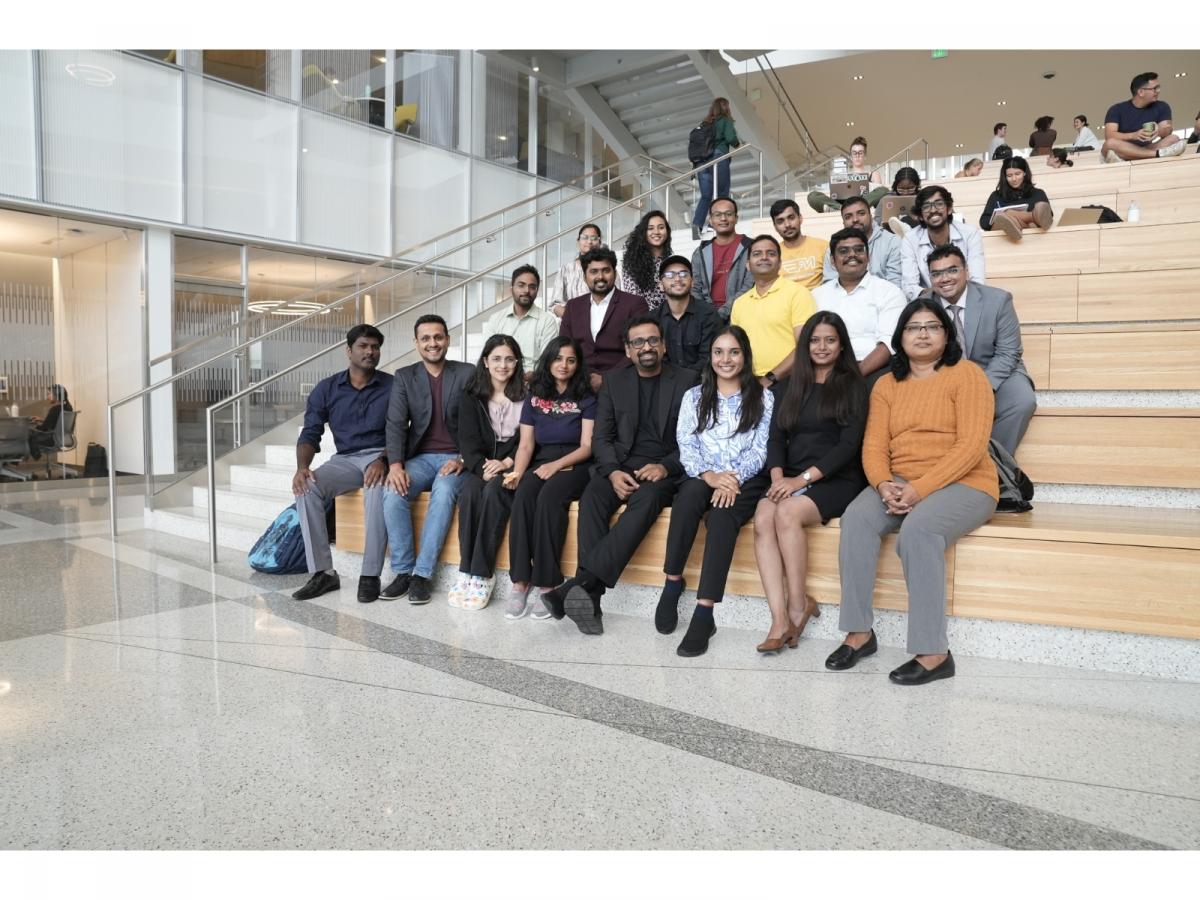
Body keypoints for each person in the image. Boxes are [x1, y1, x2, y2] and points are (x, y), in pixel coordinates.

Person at [826, 299, 998, 686]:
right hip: (900, 480)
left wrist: (919, 489)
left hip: (966, 482)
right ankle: (859, 633)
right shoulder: (886, 385)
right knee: (856, 519)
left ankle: (934, 653)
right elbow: (874, 446)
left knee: (919, 531)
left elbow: (972, 447)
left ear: (947, 335)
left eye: (932, 326)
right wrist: (883, 483)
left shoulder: (968, 375)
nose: (922, 334)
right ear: (900, 337)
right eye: (913, 327)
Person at [542, 315, 699, 636]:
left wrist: (666, 467)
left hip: (663, 469)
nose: (646, 347)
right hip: (620, 464)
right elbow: (602, 437)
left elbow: (696, 439)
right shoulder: (614, 381)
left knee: (647, 500)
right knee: (592, 497)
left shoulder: (688, 381)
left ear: (664, 346)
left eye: (653, 340)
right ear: (628, 350)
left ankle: (578, 585)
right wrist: (613, 472)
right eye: (638, 342)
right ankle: (590, 597)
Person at [753, 311, 867, 653]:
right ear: (805, 345)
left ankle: (798, 605)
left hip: (837, 477)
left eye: (830, 340)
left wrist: (798, 481)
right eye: (815, 340)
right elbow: (775, 438)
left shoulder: (854, 385)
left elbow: (848, 446)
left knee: (786, 513)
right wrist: (778, 478)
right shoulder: (789, 385)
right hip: (790, 476)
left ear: (842, 344)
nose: (822, 346)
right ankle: (778, 619)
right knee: (763, 517)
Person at [658, 325, 773, 657]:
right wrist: (709, 476)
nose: (726, 359)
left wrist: (732, 478)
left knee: (722, 517)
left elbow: (760, 450)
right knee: (688, 499)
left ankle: (704, 613)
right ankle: (672, 582)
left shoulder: (763, 397)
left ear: (745, 356)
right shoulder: (694, 396)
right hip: (703, 473)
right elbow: (686, 444)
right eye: (719, 352)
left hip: (744, 480)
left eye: (734, 352)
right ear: (710, 357)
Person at [290, 325, 393, 604]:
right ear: (349, 350)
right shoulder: (327, 388)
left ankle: (370, 574)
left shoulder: (393, 386)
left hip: (380, 456)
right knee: (307, 487)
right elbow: (311, 432)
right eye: (363, 346)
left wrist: (384, 459)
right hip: (345, 459)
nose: (370, 352)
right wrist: (302, 467)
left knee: (376, 490)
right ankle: (323, 573)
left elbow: (404, 430)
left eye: (375, 347)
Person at [381, 314, 475, 605]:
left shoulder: (467, 373)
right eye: (426, 338)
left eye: (438, 337)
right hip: (419, 458)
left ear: (447, 339)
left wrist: (463, 458)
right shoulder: (405, 376)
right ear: (416, 343)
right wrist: (395, 465)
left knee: (444, 491)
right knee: (392, 491)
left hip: (456, 458)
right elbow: (396, 423)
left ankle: (422, 575)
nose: (432, 343)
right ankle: (403, 571)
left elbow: (479, 421)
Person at [504, 337, 596, 620]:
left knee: (548, 499)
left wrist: (556, 465)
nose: (563, 365)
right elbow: (526, 445)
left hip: (575, 463)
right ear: (548, 361)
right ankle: (521, 581)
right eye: (558, 358)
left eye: (570, 360)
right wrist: (518, 472)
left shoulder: (586, 396)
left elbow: (587, 446)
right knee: (523, 496)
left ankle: (548, 582)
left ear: (578, 364)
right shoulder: (535, 395)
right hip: (542, 460)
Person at [921, 245, 1036, 456]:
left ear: (967, 271)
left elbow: (1008, 352)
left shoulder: (998, 300)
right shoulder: (922, 306)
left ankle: (992, 462)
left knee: (1022, 401)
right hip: (945, 376)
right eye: (936, 274)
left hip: (994, 370)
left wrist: (980, 388)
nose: (944, 279)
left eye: (952, 270)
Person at [449, 334, 526, 610]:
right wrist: (483, 469)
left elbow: (529, 440)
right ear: (485, 361)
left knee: (495, 491)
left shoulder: (528, 396)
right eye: (496, 359)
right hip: (481, 462)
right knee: (469, 493)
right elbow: (467, 441)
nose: (502, 365)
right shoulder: (471, 396)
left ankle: (482, 573)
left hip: (514, 462)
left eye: (509, 359)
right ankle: (465, 570)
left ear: (517, 363)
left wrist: (506, 463)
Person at [813, 227, 906, 381]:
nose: (852, 255)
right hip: (825, 369)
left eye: (859, 250)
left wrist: (852, 377)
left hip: (873, 370)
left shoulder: (890, 292)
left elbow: (888, 344)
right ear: (832, 261)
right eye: (844, 251)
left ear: (868, 257)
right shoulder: (817, 295)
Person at [729, 234, 818, 387]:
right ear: (748, 265)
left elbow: (805, 345)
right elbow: (735, 348)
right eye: (757, 254)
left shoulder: (798, 293)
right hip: (749, 383)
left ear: (780, 263)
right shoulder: (739, 303)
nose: (764, 257)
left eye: (771, 253)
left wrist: (770, 378)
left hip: (789, 381)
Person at [559, 246, 648, 391]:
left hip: (622, 383)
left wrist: (606, 379)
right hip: (579, 384)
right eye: (594, 271)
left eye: (606, 270)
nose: (600, 277)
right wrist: (583, 378)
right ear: (585, 277)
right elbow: (564, 347)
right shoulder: (573, 306)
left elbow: (640, 347)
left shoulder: (635, 304)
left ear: (615, 274)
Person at [900, 185, 986, 300]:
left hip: (965, 299)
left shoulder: (970, 233)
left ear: (949, 209)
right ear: (920, 216)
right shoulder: (910, 239)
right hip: (929, 301)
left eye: (939, 204)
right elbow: (910, 287)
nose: (933, 210)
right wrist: (939, 296)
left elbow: (977, 281)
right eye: (926, 206)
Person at [482, 264, 558, 374]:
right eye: (521, 285)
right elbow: (487, 355)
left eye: (532, 287)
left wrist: (531, 377)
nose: (526, 290)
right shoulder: (496, 319)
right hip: (501, 376)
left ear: (537, 290)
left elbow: (548, 362)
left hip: (532, 381)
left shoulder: (547, 321)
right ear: (511, 288)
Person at [820, 195, 904, 290]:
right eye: (848, 217)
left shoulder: (892, 242)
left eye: (861, 213)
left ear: (871, 216)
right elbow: (830, 285)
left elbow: (895, 285)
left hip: (883, 298)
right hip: (844, 297)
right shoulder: (835, 248)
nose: (855, 219)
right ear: (843, 222)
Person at [690, 197, 753, 317]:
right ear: (711, 220)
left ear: (736, 218)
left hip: (741, 313)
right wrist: (707, 315)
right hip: (707, 317)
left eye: (728, 214)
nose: (723, 218)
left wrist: (721, 314)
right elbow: (695, 288)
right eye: (718, 215)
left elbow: (749, 286)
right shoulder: (700, 252)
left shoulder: (751, 247)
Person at [1101, 72, 1186, 162]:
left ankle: (1132, 156)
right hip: (1124, 148)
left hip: (1146, 148)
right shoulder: (1116, 109)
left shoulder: (1162, 106)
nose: (1157, 91)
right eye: (1154, 89)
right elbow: (1109, 135)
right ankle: (1157, 154)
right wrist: (1133, 135)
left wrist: (1158, 131)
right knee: (1109, 144)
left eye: (1158, 88)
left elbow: (1168, 129)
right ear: (1141, 92)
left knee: (1173, 138)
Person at [656, 255, 719, 374]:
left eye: (683, 274)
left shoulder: (708, 314)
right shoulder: (653, 319)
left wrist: (685, 379)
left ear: (692, 281)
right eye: (669, 275)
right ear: (660, 284)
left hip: (702, 380)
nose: (677, 279)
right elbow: (658, 358)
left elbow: (709, 357)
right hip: (666, 380)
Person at [691, 97, 740, 240]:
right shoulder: (725, 120)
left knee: (706, 195)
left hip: (702, 163)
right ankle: (714, 225)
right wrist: (738, 145)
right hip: (718, 158)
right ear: (726, 107)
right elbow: (730, 137)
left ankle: (697, 226)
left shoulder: (705, 123)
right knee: (722, 193)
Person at [979, 157, 1054, 242]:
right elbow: (984, 222)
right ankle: (1032, 216)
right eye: (1009, 176)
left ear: (1025, 173)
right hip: (1000, 236)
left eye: (1018, 174)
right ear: (1005, 176)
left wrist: (1014, 217)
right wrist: (1003, 216)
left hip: (1030, 237)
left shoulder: (1037, 193)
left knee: (1012, 216)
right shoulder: (996, 196)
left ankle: (1016, 223)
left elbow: (1048, 216)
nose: (1014, 179)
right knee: (1006, 216)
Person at [806, 136, 888, 213]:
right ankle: (841, 208)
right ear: (851, 157)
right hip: (845, 202)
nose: (857, 156)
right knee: (812, 196)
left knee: (884, 190)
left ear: (865, 156)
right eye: (854, 153)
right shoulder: (843, 175)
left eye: (860, 153)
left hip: (863, 202)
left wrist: (865, 185)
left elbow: (878, 195)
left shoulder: (873, 174)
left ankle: (853, 208)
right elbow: (835, 194)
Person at [619, 210, 672, 312]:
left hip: (670, 317)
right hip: (644, 317)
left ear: (667, 231)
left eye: (661, 227)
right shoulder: (632, 262)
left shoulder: (671, 261)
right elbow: (633, 297)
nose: (656, 232)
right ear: (644, 232)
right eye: (650, 228)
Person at [771, 199, 829, 291]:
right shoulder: (772, 254)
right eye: (780, 221)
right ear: (775, 227)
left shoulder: (823, 246)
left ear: (800, 218)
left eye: (791, 218)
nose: (787, 225)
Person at [547, 224, 603, 317]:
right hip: (571, 322)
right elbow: (555, 305)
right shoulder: (565, 270)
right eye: (585, 237)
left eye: (594, 238)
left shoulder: (607, 271)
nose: (589, 242)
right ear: (578, 242)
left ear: (599, 242)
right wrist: (574, 320)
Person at [27, 384, 73, 460]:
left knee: (27, 434)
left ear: (56, 395)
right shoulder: (68, 407)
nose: (47, 396)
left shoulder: (54, 409)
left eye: (49, 394)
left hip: (52, 440)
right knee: (30, 435)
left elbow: (43, 429)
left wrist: (34, 426)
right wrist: (42, 420)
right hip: (63, 439)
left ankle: (34, 456)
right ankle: (34, 455)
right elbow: (58, 422)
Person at [876, 166, 921, 237]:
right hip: (891, 233)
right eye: (901, 189)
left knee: (906, 219)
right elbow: (877, 220)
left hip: (918, 231)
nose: (905, 193)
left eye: (910, 188)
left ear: (917, 185)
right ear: (895, 186)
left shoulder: (922, 197)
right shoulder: (887, 199)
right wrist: (884, 223)